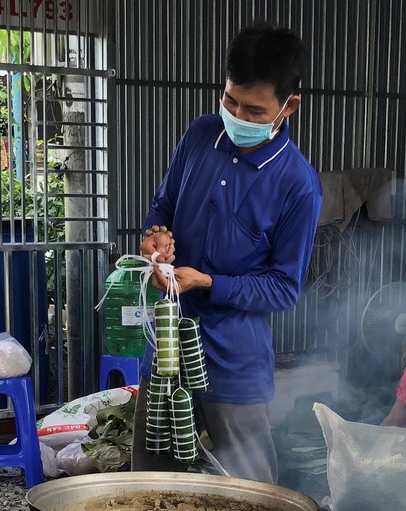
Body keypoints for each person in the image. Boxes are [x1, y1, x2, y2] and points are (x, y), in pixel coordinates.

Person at [132, 22, 322, 483]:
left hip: (235, 356)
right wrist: (155, 238)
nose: (237, 115)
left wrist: (208, 283)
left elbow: (283, 289)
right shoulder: (201, 135)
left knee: (250, 488)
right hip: (168, 341)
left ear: (289, 106)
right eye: (230, 101)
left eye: (254, 110)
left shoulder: (299, 186)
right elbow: (164, 206)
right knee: (151, 476)